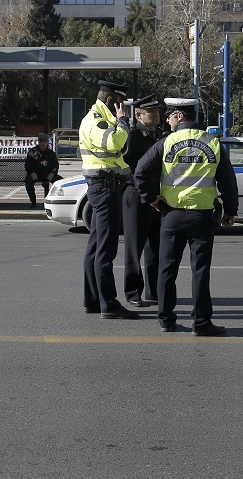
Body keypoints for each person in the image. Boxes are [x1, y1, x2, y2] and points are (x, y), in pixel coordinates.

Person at [134, 97, 238, 336]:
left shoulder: (166, 142)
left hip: (171, 215)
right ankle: (201, 323)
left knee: (166, 271)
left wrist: (151, 198)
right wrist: (231, 210)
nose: (168, 118)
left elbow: (140, 170)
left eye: (170, 114)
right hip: (202, 217)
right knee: (200, 271)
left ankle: (166, 320)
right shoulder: (212, 143)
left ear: (180, 116)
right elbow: (227, 180)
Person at [79, 80, 138, 320]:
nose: (123, 108)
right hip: (104, 187)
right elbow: (115, 142)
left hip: (106, 185)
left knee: (96, 246)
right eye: (121, 103)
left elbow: (118, 151)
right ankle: (108, 304)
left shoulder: (103, 119)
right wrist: (123, 122)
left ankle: (93, 300)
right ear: (112, 100)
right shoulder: (96, 120)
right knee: (106, 248)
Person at [121, 94, 163, 307]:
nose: (156, 114)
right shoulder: (132, 136)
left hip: (156, 197)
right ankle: (132, 292)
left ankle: (154, 291)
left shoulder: (158, 135)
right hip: (137, 196)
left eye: (157, 111)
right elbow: (126, 169)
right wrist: (146, 191)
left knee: (155, 247)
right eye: (151, 112)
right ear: (138, 115)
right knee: (134, 247)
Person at [24, 132, 61, 208]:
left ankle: (56, 201)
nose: (42, 143)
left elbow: (55, 165)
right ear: (38, 142)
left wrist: (53, 173)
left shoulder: (51, 153)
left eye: (44, 141)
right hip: (36, 174)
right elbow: (27, 164)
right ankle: (33, 202)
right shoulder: (32, 152)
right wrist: (32, 173)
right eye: (41, 141)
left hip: (48, 174)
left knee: (60, 182)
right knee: (28, 181)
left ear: (47, 142)